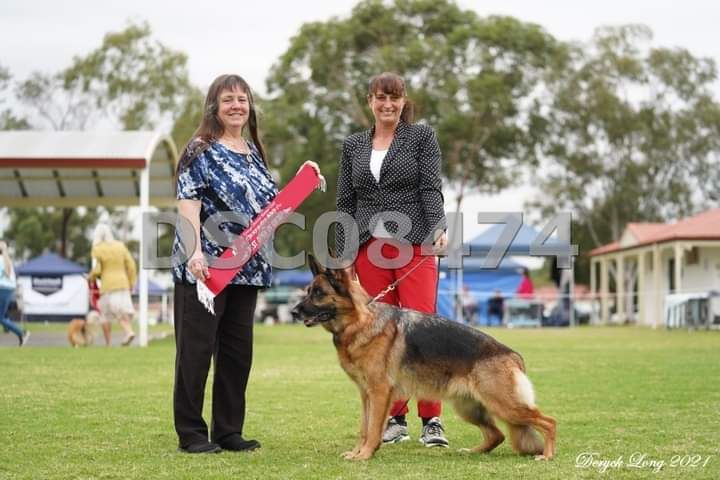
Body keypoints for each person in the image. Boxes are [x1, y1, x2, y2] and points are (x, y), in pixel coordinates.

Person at [171, 73, 320, 454]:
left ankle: (228, 431)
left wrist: (302, 183)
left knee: (237, 354)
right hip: (205, 269)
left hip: (249, 270)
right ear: (214, 107)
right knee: (196, 351)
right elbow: (188, 203)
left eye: (242, 99)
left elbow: (269, 211)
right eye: (228, 100)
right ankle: (191, 433)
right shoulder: (199, 148)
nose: (237, 105)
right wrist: (194, 253)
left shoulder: (253, 151)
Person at [335, 72, 449, 448]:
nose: (388, 105)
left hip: (415, 241)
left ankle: (432, 419)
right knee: (381, 334)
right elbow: (345, 203)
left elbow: (430, 187)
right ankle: (393, 419)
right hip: (369, 245)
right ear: (370, 100)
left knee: (422, 329)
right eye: (381, 98)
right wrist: (345, 252)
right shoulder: (353, 145)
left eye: (395, 98)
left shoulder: (421, 137)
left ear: (403, 101)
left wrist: (438, 227)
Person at [88, 224, 137, 347]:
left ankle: (114, 340)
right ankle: (127, 333)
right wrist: (131, 282)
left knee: (106, 315)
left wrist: (90, 277)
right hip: (123, 283)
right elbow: (131, 265)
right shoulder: (120, 246)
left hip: (108, 285)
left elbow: (97, 269)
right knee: (120, 311)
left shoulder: (97, 249)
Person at [0, 241, 30, 346]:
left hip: (3, 289)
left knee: (1, 317)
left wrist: (4, 249)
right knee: (2, 317)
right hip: (7, 289)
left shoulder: (2, 260)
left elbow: (7, 273)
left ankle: (22, 333)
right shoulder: (5, 259)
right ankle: (21, 333)